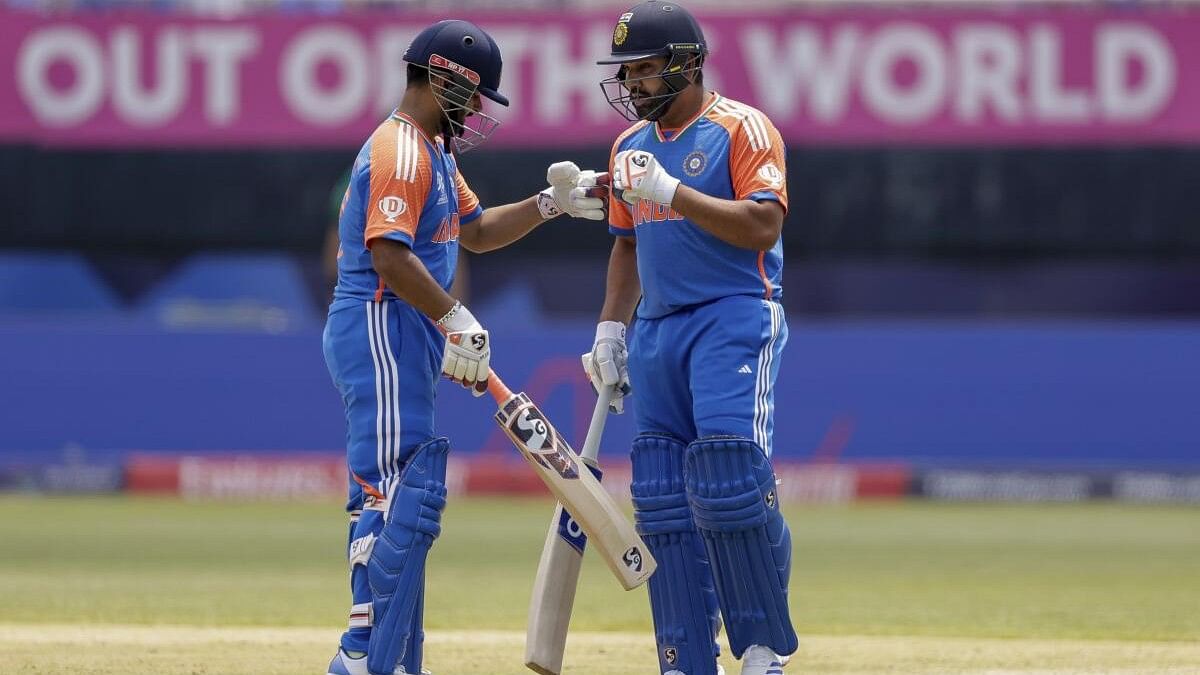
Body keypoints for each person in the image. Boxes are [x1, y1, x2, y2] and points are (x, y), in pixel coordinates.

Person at [322, 19, 606, 675]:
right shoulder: (401, 150)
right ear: (442, 79)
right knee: (391, 491)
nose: (478, 111)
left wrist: (549, 202)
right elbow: (388, 254)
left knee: (403, 488)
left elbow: (475, 232)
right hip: (382, 324)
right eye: (474, 96)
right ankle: (364, 651)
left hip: (406, 328)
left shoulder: (437, 152)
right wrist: (453, 316)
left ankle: (390, 651)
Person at [581, 2, 798, 674]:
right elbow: (624, 245)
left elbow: (763, 225)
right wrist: (612, 328)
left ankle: (761, 646)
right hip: (656, 330)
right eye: (629, 72)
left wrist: (674, 191)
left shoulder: (742, 128)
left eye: (646, 70)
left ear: (688, 63)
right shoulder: (626, 148)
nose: (634, 85)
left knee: (730, 478)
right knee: (663, 498)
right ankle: (684, 654)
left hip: (732, 314)